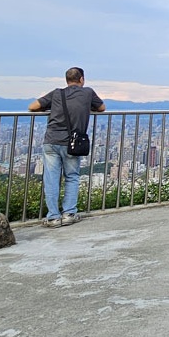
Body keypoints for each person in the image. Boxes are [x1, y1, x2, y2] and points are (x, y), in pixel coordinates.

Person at [28, 67, 106, 227]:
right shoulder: (87, 93)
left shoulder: (57, 93)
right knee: (71, 176)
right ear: (82, 79)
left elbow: (33, 106)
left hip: (51, 141)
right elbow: (102, 108)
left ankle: (53, 217)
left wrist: (47, 109)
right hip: (72, 142)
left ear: (66, 80)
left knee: (51, 179)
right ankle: (69, 213)